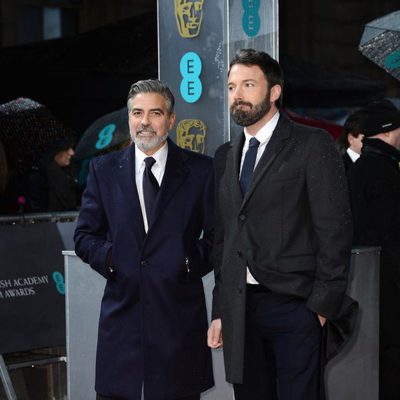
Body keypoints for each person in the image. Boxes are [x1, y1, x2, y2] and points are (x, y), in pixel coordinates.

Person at [207, 48, 357, 400]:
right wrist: (220, 310)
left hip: (295, 305)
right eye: (231, 87)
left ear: (274, 92)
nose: (237, 95)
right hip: (240, 309)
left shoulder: (311, 144)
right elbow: (224, 239)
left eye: (248, 84)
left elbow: (334, 231)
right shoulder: (225, 156)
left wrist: (320, 308)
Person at [74, 79, 214, 400]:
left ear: (171, 119)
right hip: (122, 320)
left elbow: (219, 237)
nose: (145, 122)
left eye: (155, 113)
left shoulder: (201, 171)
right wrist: (111, 259)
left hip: (178, 317)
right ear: (129, 118)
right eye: (137, 113)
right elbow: (85, 236)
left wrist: (189, 262)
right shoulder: (103, 170)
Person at [347, 99, 400, 400]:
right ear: (389, 130)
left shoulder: (367, 166)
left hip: (369, 285)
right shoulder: (381, 171)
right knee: (390, 364)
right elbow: (390, 234)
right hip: (386, 287)